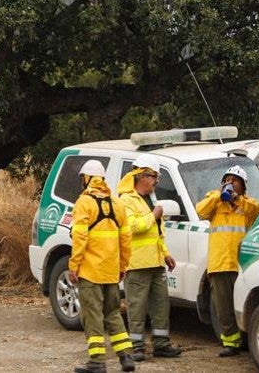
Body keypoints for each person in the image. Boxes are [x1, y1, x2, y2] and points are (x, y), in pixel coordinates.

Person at [69, 159, 135, 373]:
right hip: (111, 271)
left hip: (90, 271)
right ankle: (126, 357)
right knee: (113, 313)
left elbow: (79, 237)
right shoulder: (117, 204)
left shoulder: (83, 203)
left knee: (92, 316)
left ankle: (97, 362)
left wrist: (74, 265)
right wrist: (123, 266)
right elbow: (126, 239)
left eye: (82, 178)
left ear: (87, 178)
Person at [116, 155, 181, 361]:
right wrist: (153, 216)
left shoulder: (151, 199)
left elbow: (157, 233)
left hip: (156, 262)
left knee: (161, 304)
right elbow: (132, 227)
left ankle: (161, 344)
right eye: (154, 177)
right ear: (142, 176)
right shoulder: (126, 199)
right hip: (136, 264)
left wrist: (166, 254)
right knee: (137, 307)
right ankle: (137, 347)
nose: (156, 182)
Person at [196, 165, 259, 357]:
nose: (230, 183)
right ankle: (231, 343)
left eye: (235, 181)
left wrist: (237, 199)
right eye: (227, 180)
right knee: (223, 308)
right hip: (219, 264)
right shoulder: (214, 201)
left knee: (245, 305)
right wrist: (219, 195)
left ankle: (249, 342)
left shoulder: (248, 204)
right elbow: (200, 211)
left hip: (242, 264)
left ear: (243, 186)